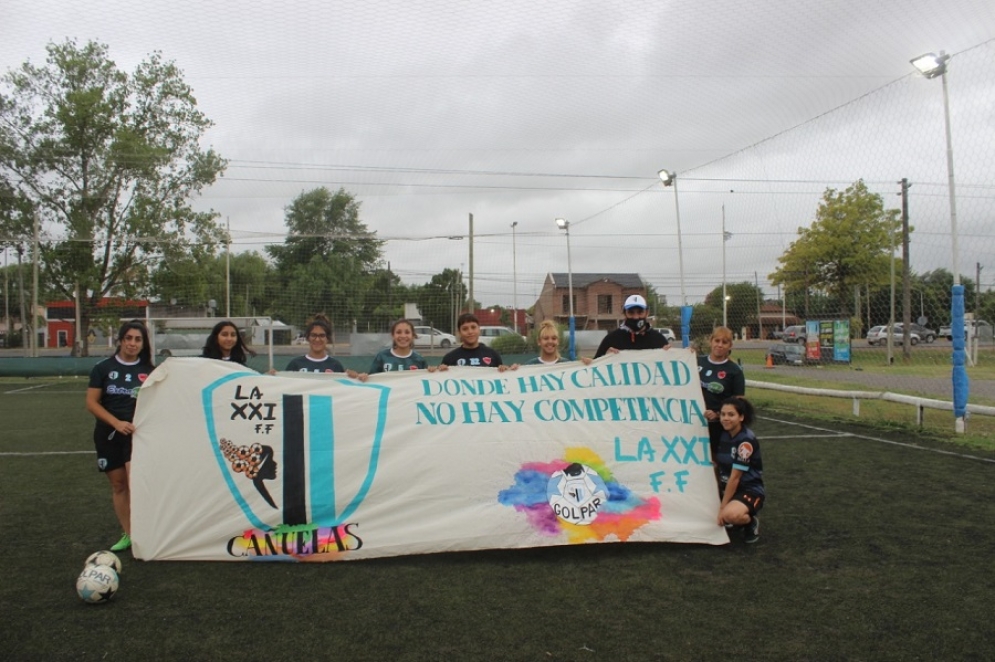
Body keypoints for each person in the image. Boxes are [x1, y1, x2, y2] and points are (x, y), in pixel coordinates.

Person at [85, 320, 156, 552]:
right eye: (129, 338)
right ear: (121, 340)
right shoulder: (103, 368)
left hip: (136, 436)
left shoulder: (150, 371)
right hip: (108, 434)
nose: (133, 343)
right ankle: (129, 534)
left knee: (136, 482)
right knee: (118, 485)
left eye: (138, 339)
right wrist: (116, 422)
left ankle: (148, 532)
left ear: (143, 343)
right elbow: (91, 403)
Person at [716, 396, 764, 544]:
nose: (725, 418)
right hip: (727, 487)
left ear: (741, 417)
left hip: (748, 489)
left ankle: (749, 522)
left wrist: (722, 508)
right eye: (723, 414)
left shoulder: (745, 441)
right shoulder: (723, 434)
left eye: (731, 415)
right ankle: (733, 514)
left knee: (730, 515)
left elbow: (735, 478)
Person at [698, 326, 745, 459]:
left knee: (716, 462)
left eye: (724, 342)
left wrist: (718, 414)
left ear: (730, 346)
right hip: (694, 422)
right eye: (717, 341)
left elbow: (739, 403)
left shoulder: (734, 371)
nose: (720, 345)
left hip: (719, 426)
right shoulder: (696, 361)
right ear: (710, 341)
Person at [355, 319, 440, 380]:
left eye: (407, 332)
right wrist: (364, 377)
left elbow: (426, 382)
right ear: (393, 336)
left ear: (413, 336)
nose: (403, 336)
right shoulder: (382, 357)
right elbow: (372, 379)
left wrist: (435, 371)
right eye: (398, 332)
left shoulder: (419, 359)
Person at [593, 294, 670, 358]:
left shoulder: (658, 339)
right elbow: (595, 367)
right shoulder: (611, 339)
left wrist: (669, 355)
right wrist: (604, 357)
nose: (636, 317)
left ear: (647, 313)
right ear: (625, 313)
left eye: (640, 312)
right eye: (631, 313)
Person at [441, 313, 515, 371]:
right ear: (459, 333)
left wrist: (511, 371)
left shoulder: (493, 354)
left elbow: (501, 379)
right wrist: (434, 372)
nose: (470, 332)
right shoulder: (450, 358)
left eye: (473, 327)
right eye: (465, 329)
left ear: (479, 330)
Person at [284, 316, 349, 374]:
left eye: (322, 335)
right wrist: (274, 377)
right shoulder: (295, 364)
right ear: (307, 338)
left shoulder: (335, 365)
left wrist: (355, 377)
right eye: (313, 335)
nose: (317, 339)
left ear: (327, 339)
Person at [525, 320, 592, 365]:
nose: (550, 341)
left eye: (554, 338)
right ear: (539, 341)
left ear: (558, 341)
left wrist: (588, 366)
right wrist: (515, 371)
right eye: (546, 338)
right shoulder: (530, 365)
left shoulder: (567, 364)